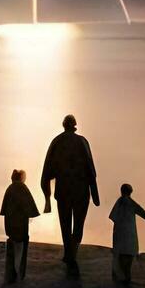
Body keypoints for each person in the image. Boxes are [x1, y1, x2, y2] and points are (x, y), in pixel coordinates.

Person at [40, 114, 99, 276]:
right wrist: (95, 193)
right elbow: (91, 170)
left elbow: (47, 171)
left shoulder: (57, 142)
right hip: (81, 191)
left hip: (64, 191)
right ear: (74, 126)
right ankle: (72, 251)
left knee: (65, 225)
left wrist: (47, 197)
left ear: (64, 125)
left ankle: (69, 253)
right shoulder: (82, 142)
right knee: (78, 225)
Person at [0, 168, 40, 283]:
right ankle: (20, 275)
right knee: (21, 249)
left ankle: (10, 275)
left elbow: (4, 209)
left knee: (12, 248)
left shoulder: (10, 188)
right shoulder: (23, 188)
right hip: (21, 225)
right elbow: (30, 207)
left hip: (10, 226)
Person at [108, 183, 145, 283]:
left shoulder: (119, 202)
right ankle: (125, 276)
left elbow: (112, 216)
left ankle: (121, 276)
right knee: (127, 255)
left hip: (120, 232)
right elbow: (141, 211)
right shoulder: (128, 202)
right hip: (128, 232)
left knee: (121, 255)